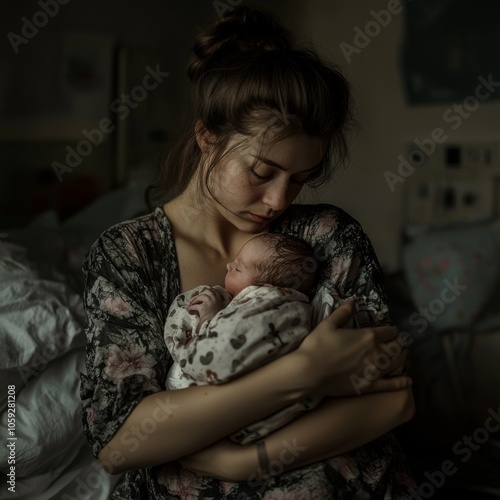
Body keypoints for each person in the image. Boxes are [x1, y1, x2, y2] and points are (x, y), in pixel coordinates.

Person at [80, 6, 417, 499]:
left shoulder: (327, 236)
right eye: (262, 173)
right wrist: (305, 374)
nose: (280, 200)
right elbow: (120, 441)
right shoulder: (129, 255)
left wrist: (243, 461)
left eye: (300, 179)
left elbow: (392, 402)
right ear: (207, 138)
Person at [165, 233, 327, 445]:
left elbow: (224, 349)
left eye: (238, 268)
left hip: (230, 407)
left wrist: (210, 319)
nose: (229, 266)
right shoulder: (285, 305)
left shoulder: (270, 307)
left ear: (265, 289)